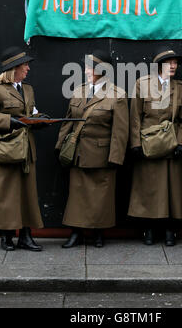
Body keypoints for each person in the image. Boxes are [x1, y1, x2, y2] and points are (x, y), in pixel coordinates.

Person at [55, 50, 129, 248]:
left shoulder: (117, 95)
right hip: (78, 153)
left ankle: (98, 233)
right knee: (77, 196)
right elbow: (68, 121)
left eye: (91, 68)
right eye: (87, 67)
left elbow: (120, 131)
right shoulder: (79, 90)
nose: (86, 71)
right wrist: (60, 146)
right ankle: (76, 232)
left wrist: (115, 157)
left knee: (100, 198)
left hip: (101, 155)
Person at [0, 46, 45, 251]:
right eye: (24, 66)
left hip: (25, 150)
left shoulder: (28, 89)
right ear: (13, 68)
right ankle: (6, 236)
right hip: (4, 150)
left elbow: (31, 112)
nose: (28, 70)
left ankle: (25, 236)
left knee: (26, 195)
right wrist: (10, 120)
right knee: (6, 196)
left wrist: (40, 120)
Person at [128, 47, 182, 246]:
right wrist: (135, 144)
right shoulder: (142, 84)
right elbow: (134, 117)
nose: (173, 66)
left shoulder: (181, 88)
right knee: (148, 189)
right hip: (148, 146)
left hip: (170, 146)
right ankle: (149, 228)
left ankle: (170, 229)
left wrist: (181, 143)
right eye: (168, 62)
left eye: (175, 63)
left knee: (171, 190)